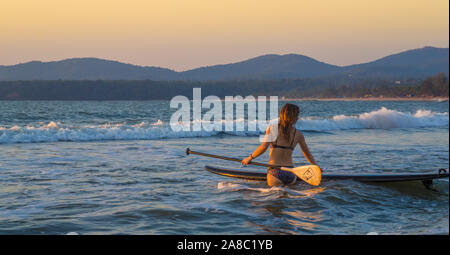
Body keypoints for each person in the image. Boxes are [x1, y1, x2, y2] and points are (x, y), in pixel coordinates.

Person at [241, 103, 319, 186]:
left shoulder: (272, 128)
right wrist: (316, 168)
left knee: (274, 196)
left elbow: (263, 147)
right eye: (297, 115)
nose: (298, 118)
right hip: (291, 173)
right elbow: (307, 154)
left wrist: (249, 158)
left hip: (275, 171)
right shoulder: (298, 134)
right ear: (294, 117)